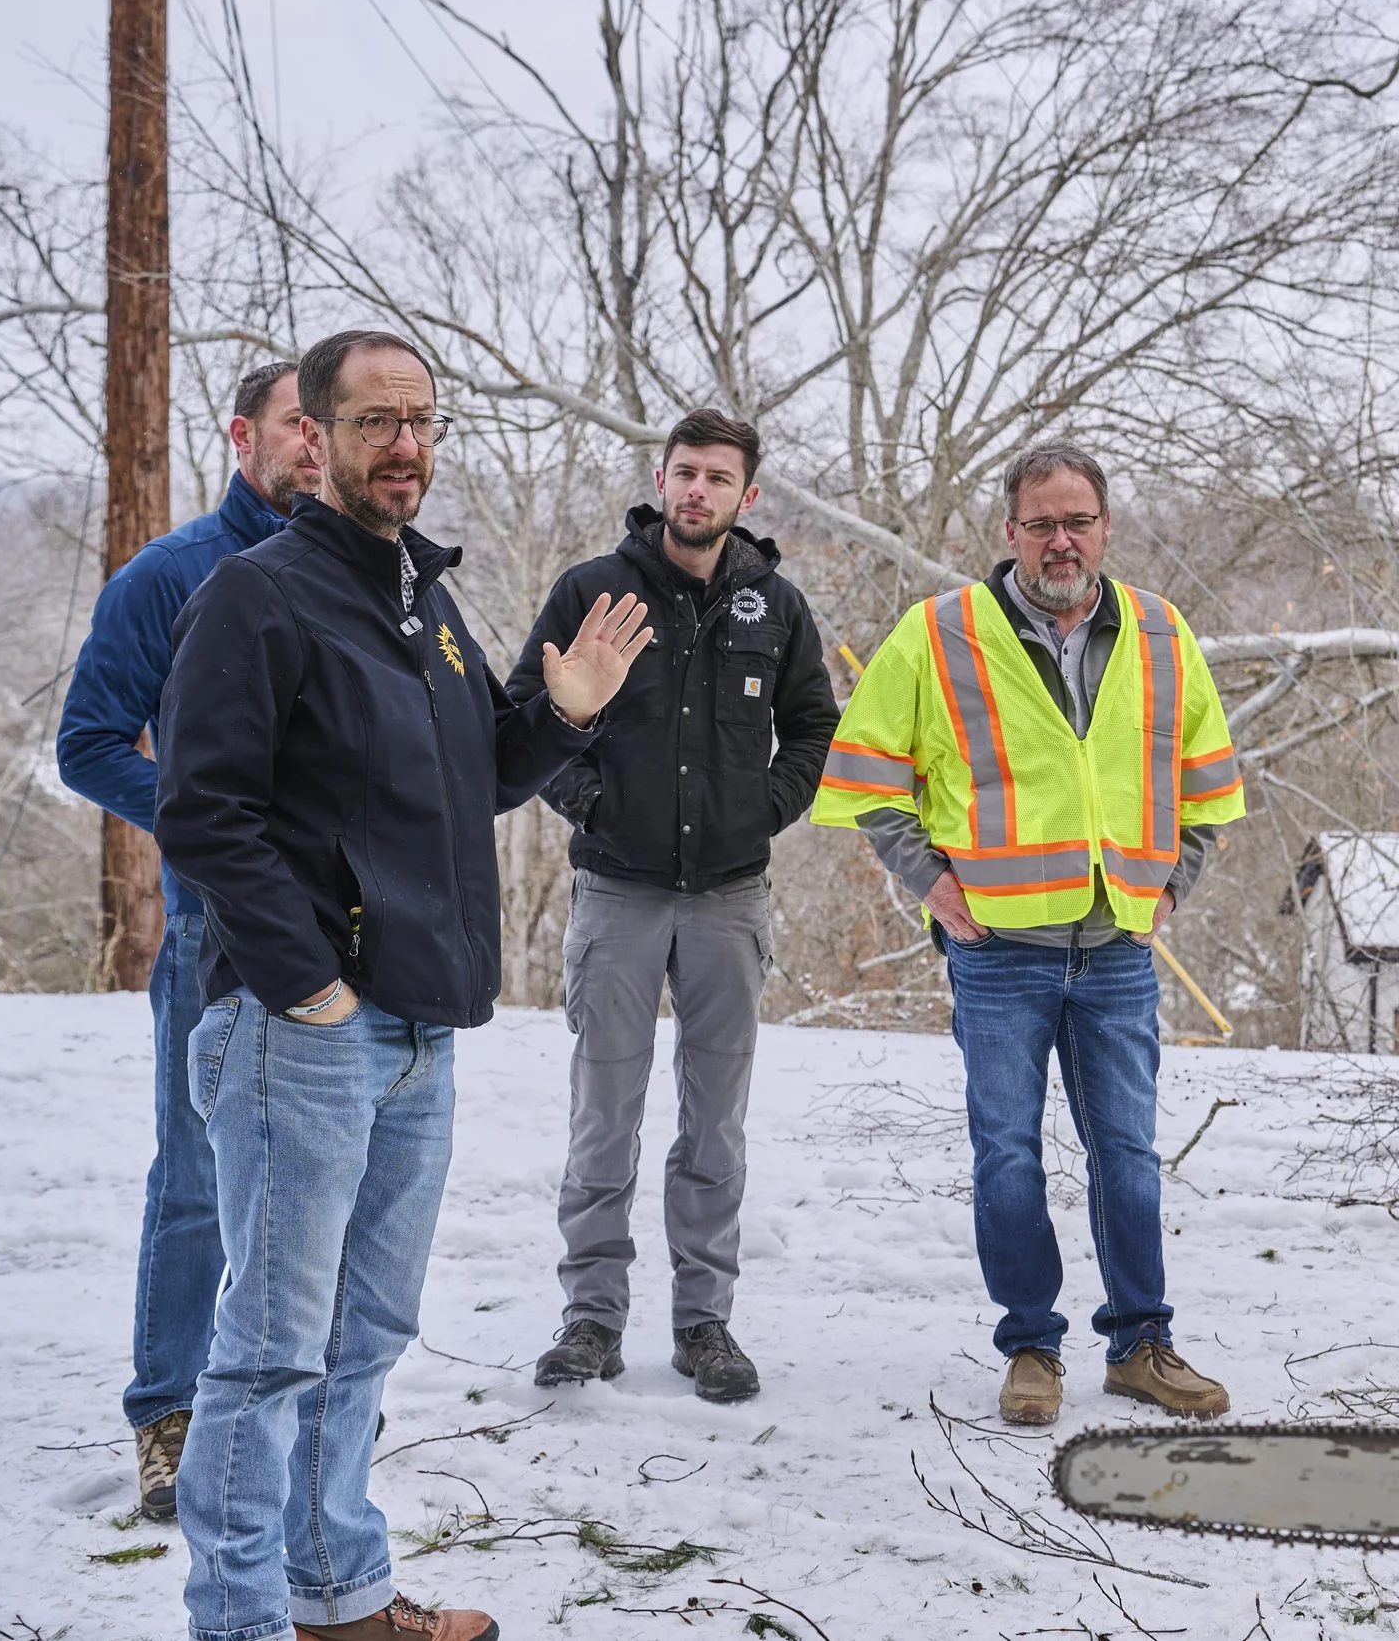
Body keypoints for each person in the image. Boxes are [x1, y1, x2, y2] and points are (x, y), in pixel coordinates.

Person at [156, 328, 650, 1641]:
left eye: (422, 417)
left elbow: (470, 772)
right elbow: (202, 811)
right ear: (313, 438)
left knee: (364, 1333)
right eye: (377, 420)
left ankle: (339, 1599)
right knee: (268, 1351)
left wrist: (563, 712)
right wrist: (306, 981)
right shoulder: (258, 598)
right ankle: (242, 1618)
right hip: (301, 1031)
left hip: (420, 1027)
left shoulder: (419, 597)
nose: (406, 444)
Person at [809, 441, 1246, 1427]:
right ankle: (1031, 1348)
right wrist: (928, 880)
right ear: (1009, 532)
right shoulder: (939, 632)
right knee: (1007, 1152)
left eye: (1077, 520)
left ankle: (1141, 1344)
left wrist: (1173, 883)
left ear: (1104, 526)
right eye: (1041, 521)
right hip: (999, 949)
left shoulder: (1161, 632)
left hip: (1119, 945)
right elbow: (869, 777)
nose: (1061, 539)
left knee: (1126, 1152)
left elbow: (1207, 781)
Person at [506, 408, 838, 1404]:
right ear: (662, 478)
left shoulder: (773, 606)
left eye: (718, 477)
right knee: (604, 1113)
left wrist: (764, 810)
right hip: (618, 892)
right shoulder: (593, 591)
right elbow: (529, 717)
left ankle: (705, 1322)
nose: (698, 490)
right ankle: (591, 1318)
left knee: (715, 1124)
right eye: (685, 472)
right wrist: (594, 802)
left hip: (730, 899)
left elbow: (815, 724)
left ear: (746, 496)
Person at [55, 360, 318, 1522]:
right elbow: (89, 742)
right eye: (296, 425)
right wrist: (213, 816)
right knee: (198, 1174)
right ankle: (168, 1411)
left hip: (345, 927)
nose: (316, 446)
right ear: (243, 435)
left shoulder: (376, 570)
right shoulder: (169, 575)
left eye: (333, 425)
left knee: (324, 1180)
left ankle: (299, 1409)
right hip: (216, 920)